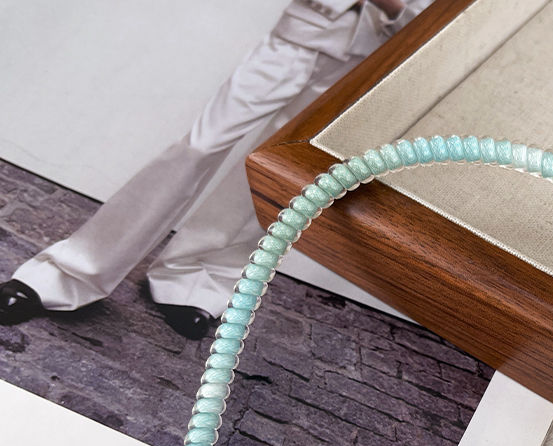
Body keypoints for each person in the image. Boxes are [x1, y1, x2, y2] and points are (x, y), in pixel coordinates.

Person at [0, 0, 431, 338]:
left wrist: (396, 8)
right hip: (305, 31)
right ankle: (69, 273)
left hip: (372, 58)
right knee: (198, 147)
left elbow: (449, 20)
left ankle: (194, 281)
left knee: (273, 174)